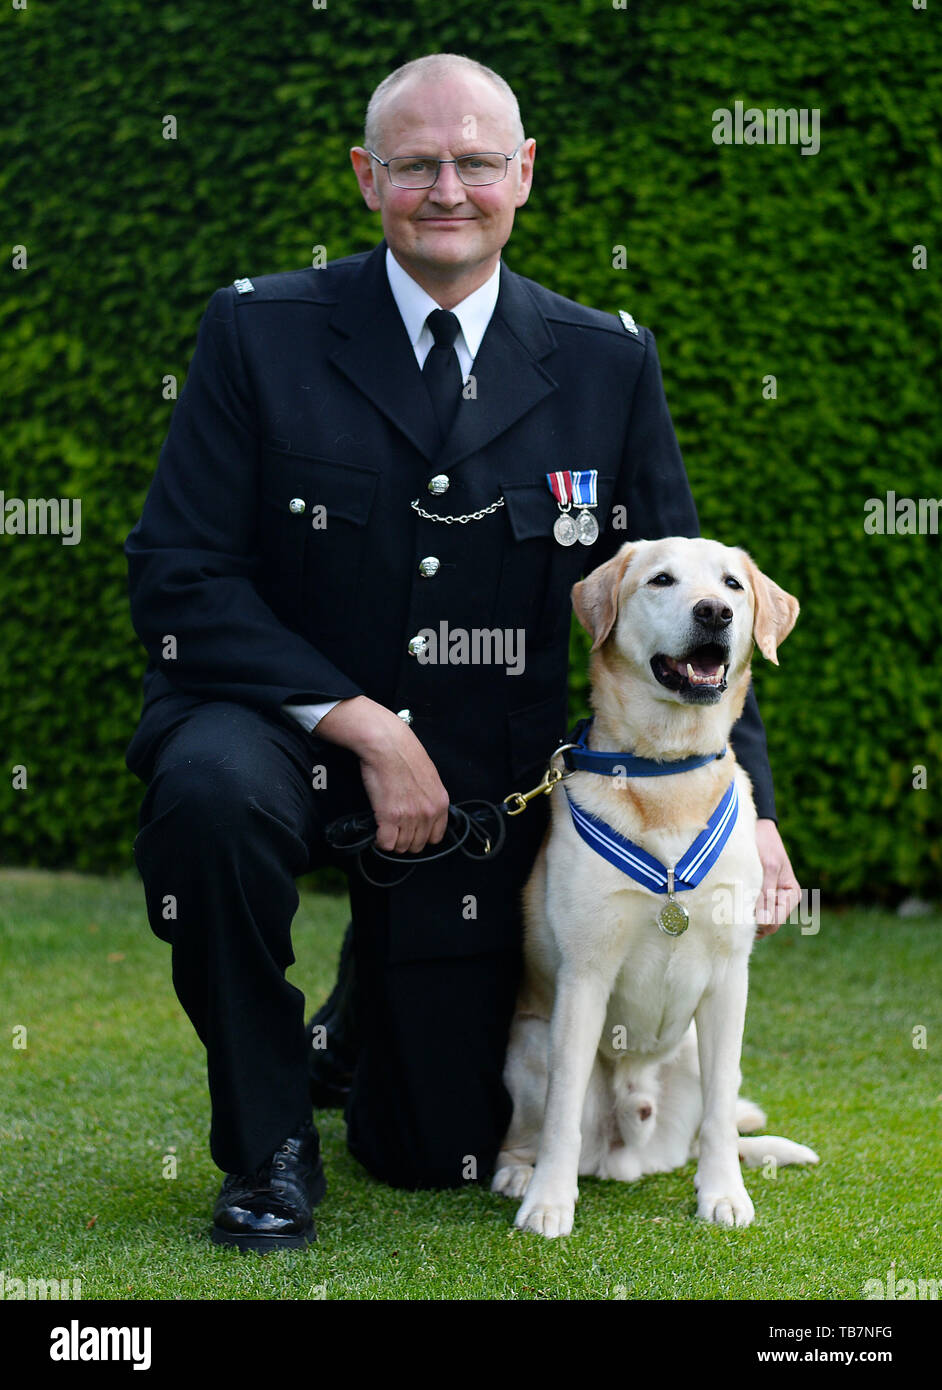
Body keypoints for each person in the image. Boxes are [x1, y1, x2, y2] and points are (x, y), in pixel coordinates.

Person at [123, 52, 801, 1252]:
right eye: (418, 163)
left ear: (523, 174)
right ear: (365, 177)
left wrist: (747, 801)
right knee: (210, 802)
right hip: (279, 730)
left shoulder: (606, 358)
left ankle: (357, 1027)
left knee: (440, 1149)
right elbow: (180, 578)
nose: (450, 188)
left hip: (483, 785)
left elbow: (689, 615)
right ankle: (271, 1141)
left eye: (478, 161)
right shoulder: (256, 331)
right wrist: (362, 722)